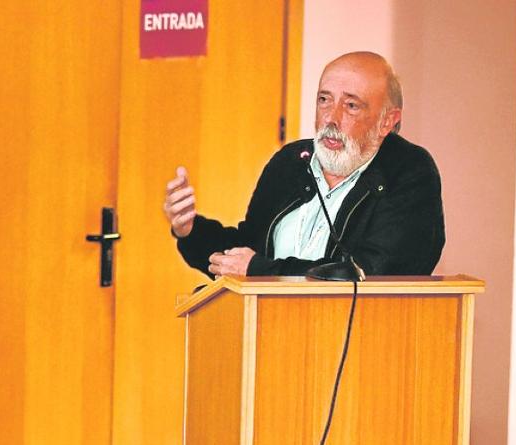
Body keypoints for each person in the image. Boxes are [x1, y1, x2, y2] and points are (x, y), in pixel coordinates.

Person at [163, 51, 445, 278]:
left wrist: (262, 272)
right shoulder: (292, 162)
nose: (330, 118)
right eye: (324, 100)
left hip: (359, 341)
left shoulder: (409, 172)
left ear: (387, 121)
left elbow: (372, 271)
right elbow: (248, 252)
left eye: (351, 106)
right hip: (271, 334)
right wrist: (190, 230)